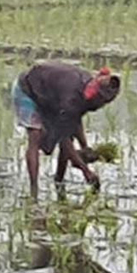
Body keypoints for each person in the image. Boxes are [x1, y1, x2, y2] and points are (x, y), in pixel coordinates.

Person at [12, 62, 121, 198]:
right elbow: (63, 139)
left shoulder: (86, 90)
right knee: (35, 135)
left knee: (68, 135)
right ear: (95, 95)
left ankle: (59, 181)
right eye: (101, 100)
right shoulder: (72, 96)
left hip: (49, 96)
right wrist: (85, 170)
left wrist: (85, 147)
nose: (102, 104)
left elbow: (75, 122)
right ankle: (34, 190)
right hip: (28, 90)